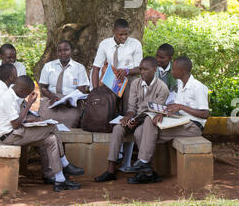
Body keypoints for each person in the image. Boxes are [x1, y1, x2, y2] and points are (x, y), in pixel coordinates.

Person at [126, 56, 209, 184]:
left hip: (193, 126)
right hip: (180, 121)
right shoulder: (181, 84)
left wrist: (181, 107)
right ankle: (147, 171)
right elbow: (174, 106)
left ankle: (144, 164)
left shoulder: (197, 87)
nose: (171, 72)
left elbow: (205, 114)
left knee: (148, 130)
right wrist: (161, 113)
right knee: (140, 131)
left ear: (182, 71)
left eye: (174, 69)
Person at [0, 75, 84, 192]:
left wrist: (32, 120)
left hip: (15, 132)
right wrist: (30, 103)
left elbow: (16, 119)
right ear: (21, 90)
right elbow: (15, 124)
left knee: (51, 140)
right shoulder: (8, 99)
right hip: (10, 136)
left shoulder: (13, 94)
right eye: (26, 94)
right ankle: (65, 164)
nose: (26, 97)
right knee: (52, 126)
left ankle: (59, 180)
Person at [94, 56, 169, 182]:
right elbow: (131, 107)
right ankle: (110, 170)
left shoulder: (162, 88)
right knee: (118, 128)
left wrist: (136, 120)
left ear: (155, 70)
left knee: (140, 131)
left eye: (146, 69)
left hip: (147, 121)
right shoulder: (135, 83)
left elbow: (155, 112)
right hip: (135, 118)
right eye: (141, 69)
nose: (143, 72)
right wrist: (128, 116)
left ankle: (145, 170)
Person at [91, 18, 143, 170]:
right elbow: (96, 67)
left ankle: (126, 162)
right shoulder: (105, 44)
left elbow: (140, 68)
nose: (124, 37)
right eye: (121, 34)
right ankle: (116, 154)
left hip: (129, 83)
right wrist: (96, 91)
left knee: (128, 117)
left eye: (126, 34)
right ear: (114, 32)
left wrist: (126, 71)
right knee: (112, 117)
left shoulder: (135, 44)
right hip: (110, 84)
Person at [38, 40, 89, 128]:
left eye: (66, 50)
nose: (63, 53)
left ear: (71, 51)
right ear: (57, 52)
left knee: (72, 118)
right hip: (52, 99)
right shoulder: (48, 66)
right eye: (60, 50)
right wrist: (52, 97)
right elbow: (43, 88)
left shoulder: (79, 68)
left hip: (71, 102)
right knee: (45, 117)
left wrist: (69, 100)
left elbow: (81, 89)